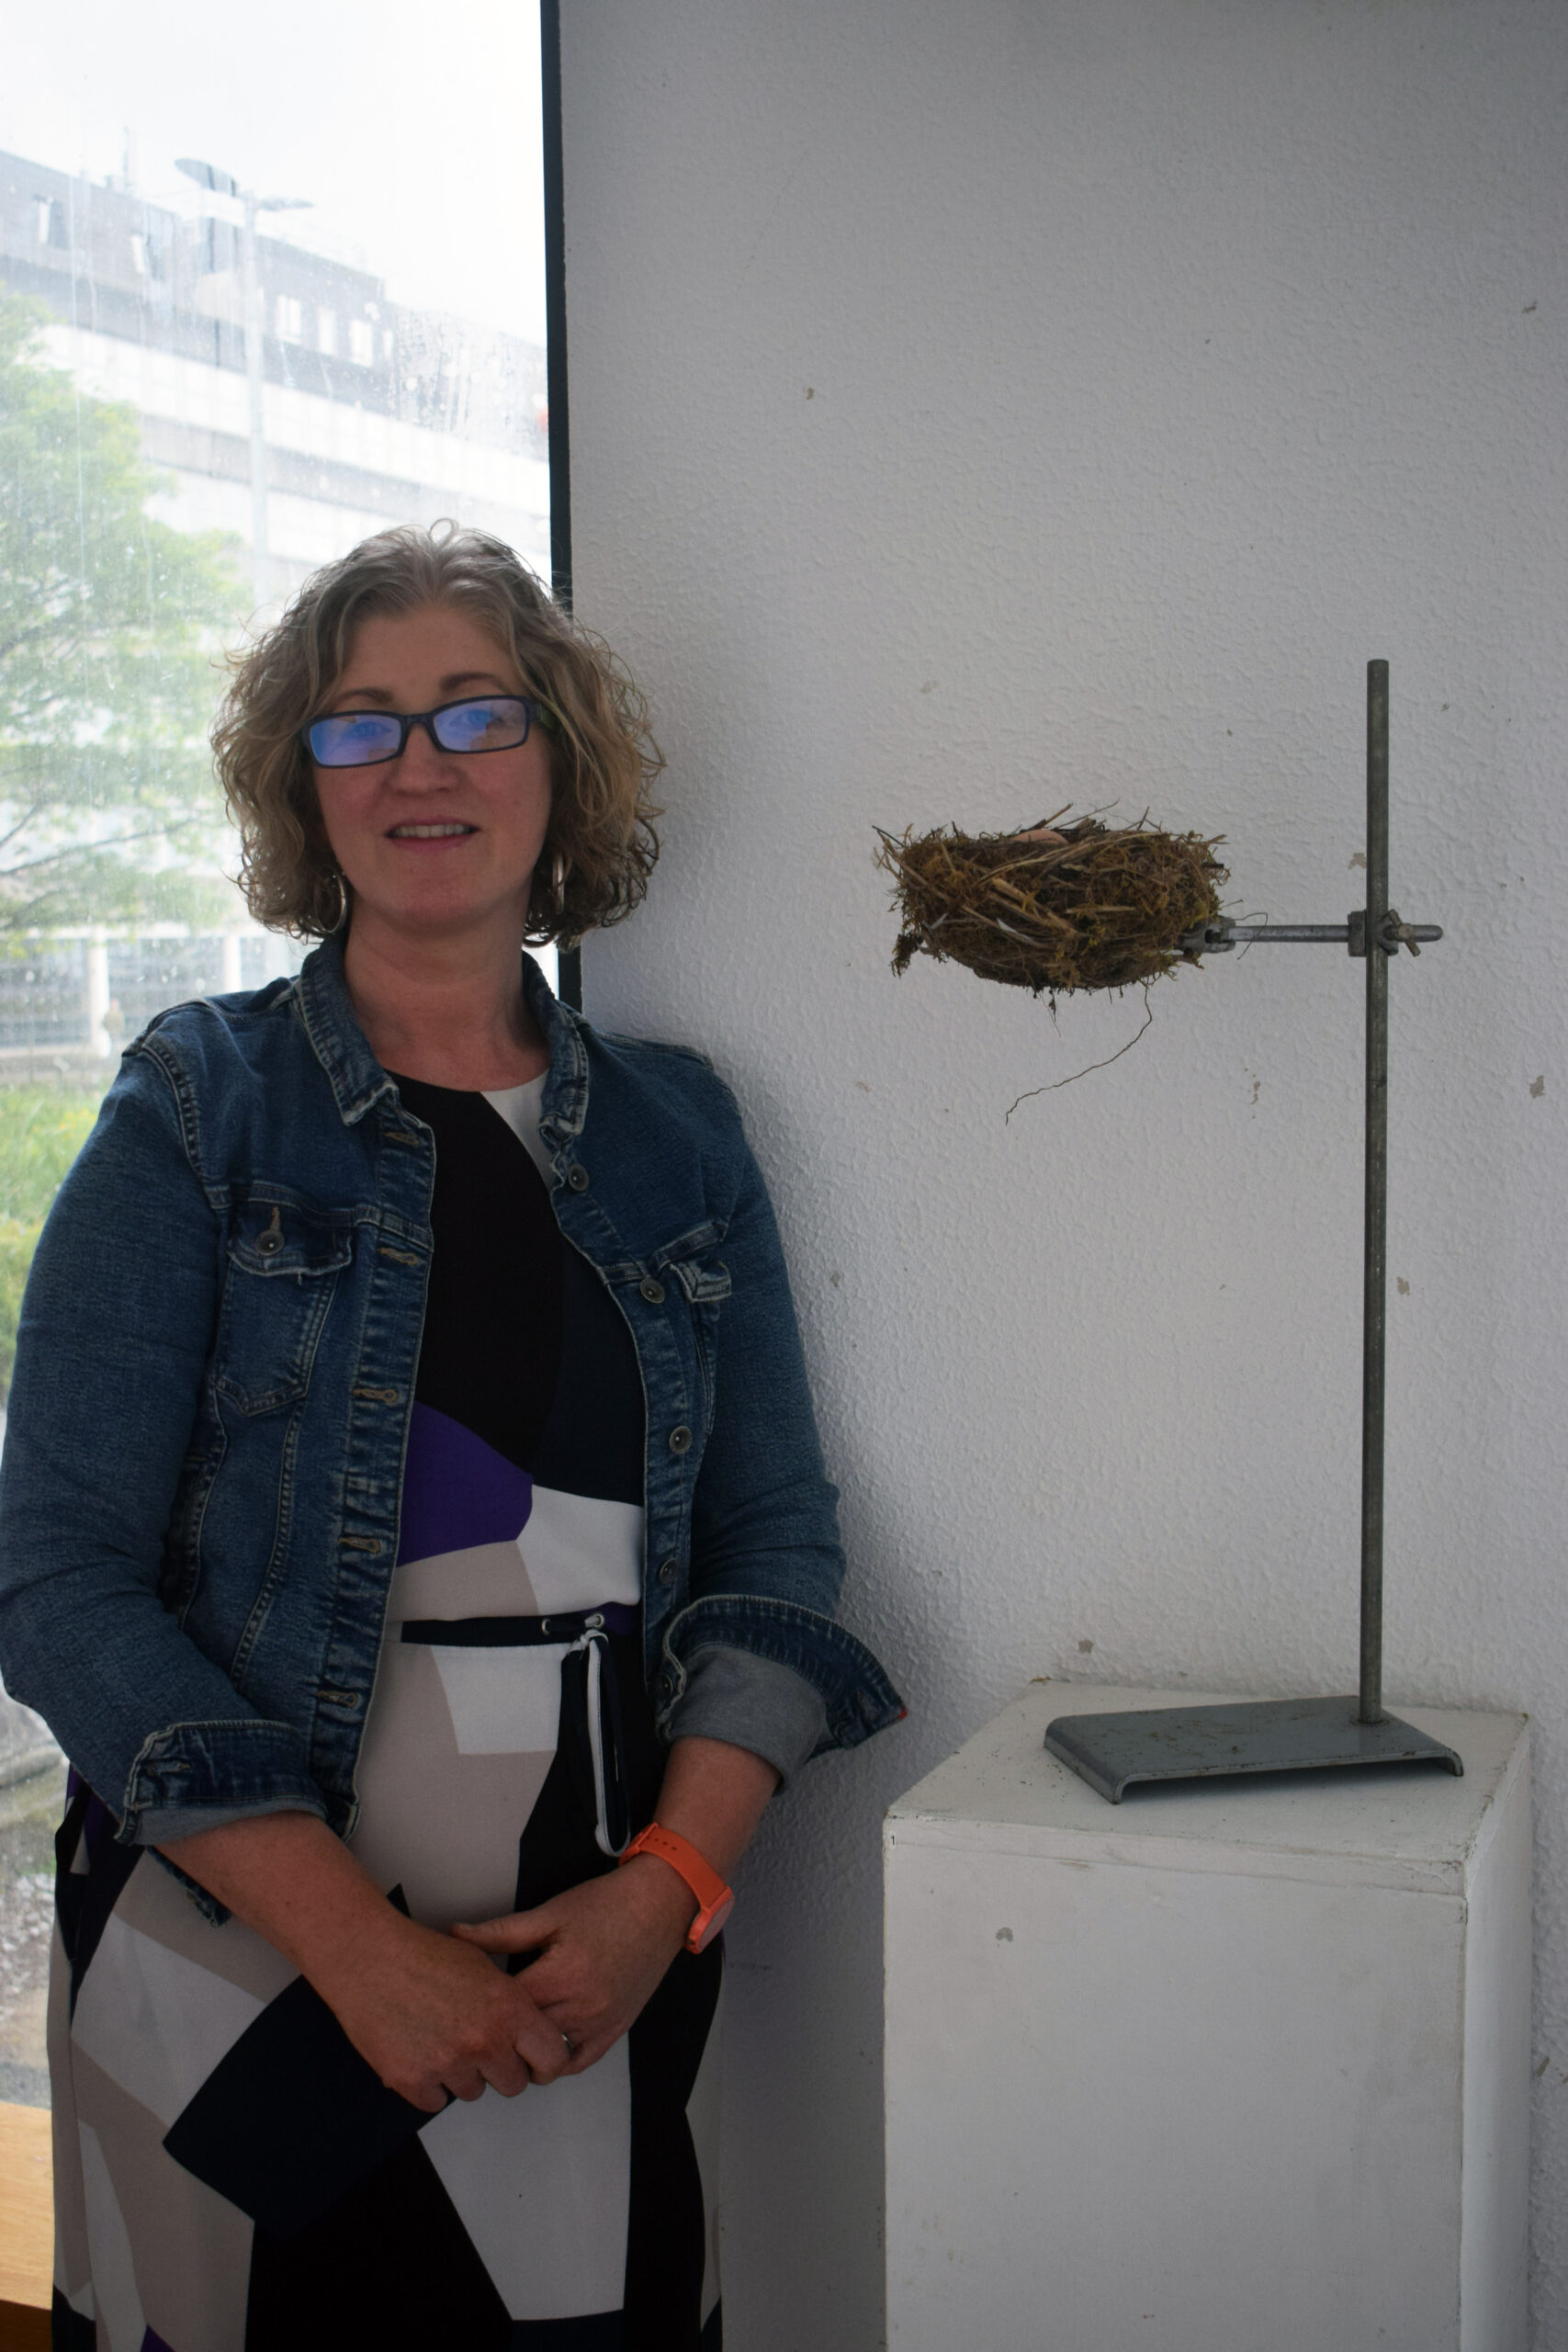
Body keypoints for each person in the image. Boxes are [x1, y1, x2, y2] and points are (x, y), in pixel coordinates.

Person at [0, 524, 903, 2351]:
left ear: (558, 767)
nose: (420, 762)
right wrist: (351, 1939)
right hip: (235, 1955)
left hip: (594, 1967)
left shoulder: (681, 1133)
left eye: (474, 713)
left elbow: (775, 1542)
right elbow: (49, 1570)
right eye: (359, 723)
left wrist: (671, 1889)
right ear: (299, 788)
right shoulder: (196, 1108)